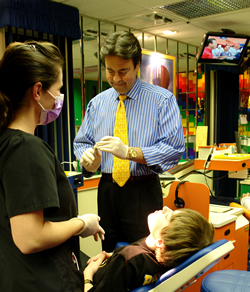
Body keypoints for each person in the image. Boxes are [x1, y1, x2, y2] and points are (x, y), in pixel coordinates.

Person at [0, 41, 105, 292]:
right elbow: (30, 238)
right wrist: (82, 223)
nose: (59, 98)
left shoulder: (6, 142)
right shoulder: (25, 148)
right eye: (57, 90)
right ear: (38, 91)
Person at [73, 31, 185, 252]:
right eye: (110, 71)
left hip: (142, 190)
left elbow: (173, 149)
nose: (116, 78)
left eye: (123, 71)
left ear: (137, 65)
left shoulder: (162, 100)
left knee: (146, 253)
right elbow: (82, 142)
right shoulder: (97, 103)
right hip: (107, 189)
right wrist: (87, 161)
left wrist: (130, 152)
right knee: (110, 252)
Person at [82, 207, 215, 292]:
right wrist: (113, 256)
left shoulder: (126, 259)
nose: (165, 208)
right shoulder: (166, 258)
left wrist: (88, 275)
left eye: (168, 216)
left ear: (160, 242)